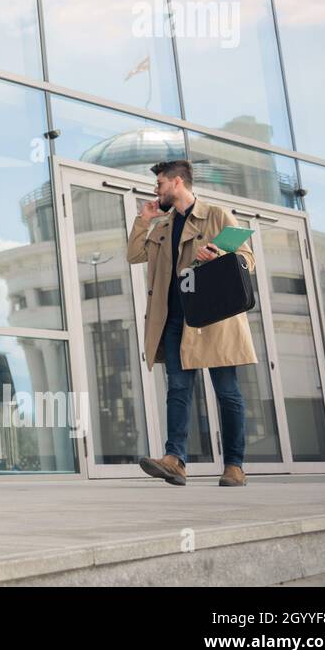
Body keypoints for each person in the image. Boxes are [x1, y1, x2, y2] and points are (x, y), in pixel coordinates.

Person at [126, 159, 256, 487]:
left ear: (177, 183)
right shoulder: (162, 227)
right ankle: (175, 460)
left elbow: (247, 259)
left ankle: (234, 466)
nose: (156, 191)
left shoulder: (216, 215)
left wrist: (222, 256)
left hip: (212, 318)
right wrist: (143, 220)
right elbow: (133, 255)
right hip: (174, 317)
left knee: (227, 392)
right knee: (178, 389)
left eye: (160, 184)